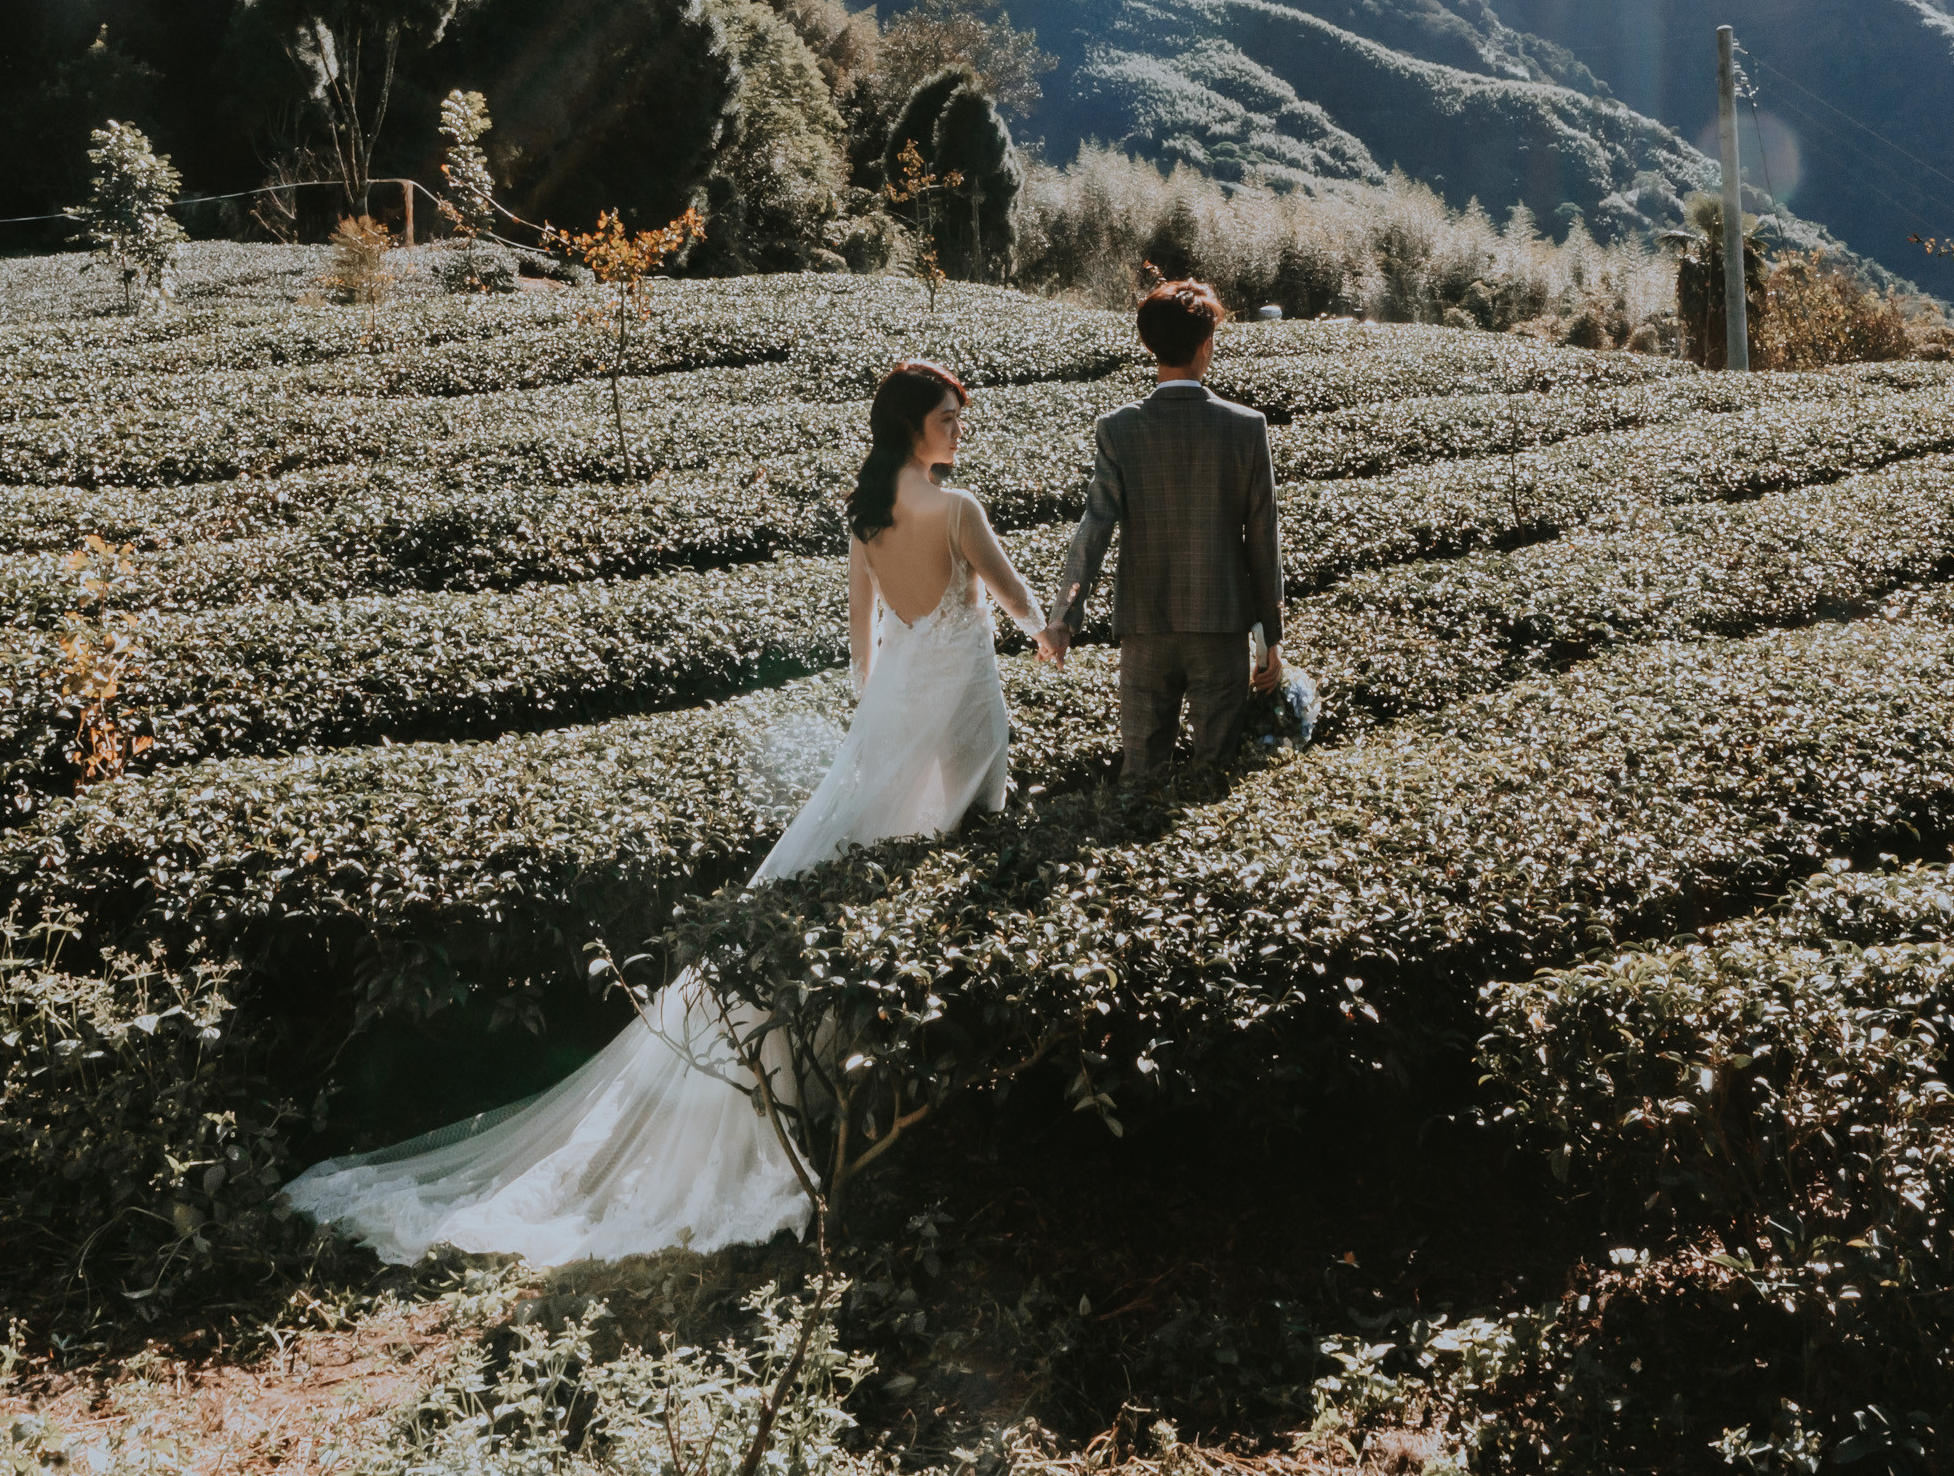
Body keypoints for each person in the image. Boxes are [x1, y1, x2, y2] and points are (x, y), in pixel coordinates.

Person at [279, 358, 1043, 1265]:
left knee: (862, 870)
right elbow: (1016, 600)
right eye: (950, 413)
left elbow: (862, 653)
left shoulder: (869, 514)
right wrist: (1051, 628)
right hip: (962, 711)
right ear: (916, 421)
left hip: (903, 714)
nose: (961, 425)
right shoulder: (959, 511)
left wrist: (878, 734)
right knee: (951, 858)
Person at [1039, 276, 1284, 785]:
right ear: (1206, 344)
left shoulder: (1120, 428)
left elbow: (1094, 528)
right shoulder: (1245, 427)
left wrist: (1065, 615)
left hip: (1144, 625)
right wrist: (1269, 639)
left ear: (1151, 345)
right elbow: (1262, 540)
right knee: (1215, 775)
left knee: (1140, 776)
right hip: (1220, 625)